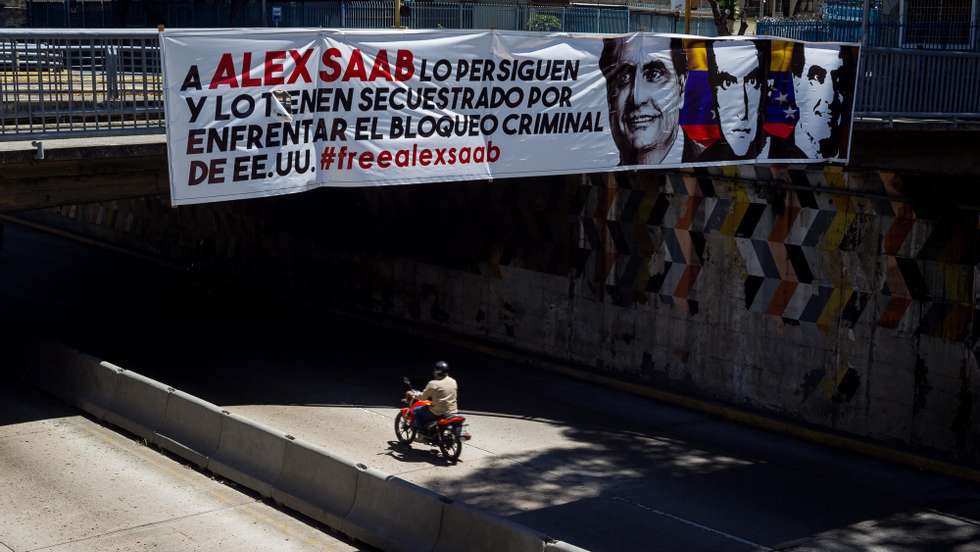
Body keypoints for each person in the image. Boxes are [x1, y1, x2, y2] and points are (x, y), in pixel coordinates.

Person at [599, 36, 691, 166]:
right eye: (624, 77)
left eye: (654, 75)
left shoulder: (713, 160)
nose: (637, 98)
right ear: (609, 93)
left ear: (681, 87)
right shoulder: (593, 169)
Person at [694, 39, 767, 162]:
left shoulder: (784, 154)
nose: (742, 114)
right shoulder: (701, 159)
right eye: (727, 83)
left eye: (752, 82)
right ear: (713, 92)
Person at [413, 361, 458, 432]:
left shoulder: (433, 384)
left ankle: (422, 432)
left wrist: (414, 394)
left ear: (437, 372)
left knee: (416, 411)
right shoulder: (453, 381)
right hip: (453, 411)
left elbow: (423, 398)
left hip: (437, 412)